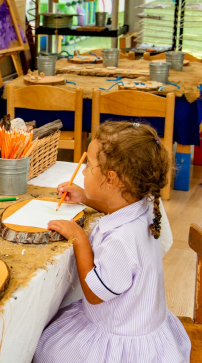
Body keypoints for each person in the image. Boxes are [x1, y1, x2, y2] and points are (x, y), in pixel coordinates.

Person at [34, 121, 191, 363]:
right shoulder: (145, 203)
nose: (83, 171)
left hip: (120, 344)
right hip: (138, 321)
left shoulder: (122, 239)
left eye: (88, 165)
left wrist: (79, 239)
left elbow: (95, 294)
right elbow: (117, 206)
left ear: (111, 179)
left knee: (47, 352)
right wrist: (85, 196)